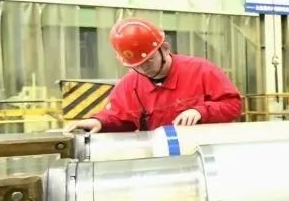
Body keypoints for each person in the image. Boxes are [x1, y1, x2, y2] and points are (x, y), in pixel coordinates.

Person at [65, 18, 243, 133]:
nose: (144, 69)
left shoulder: (201, 70)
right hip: (160, 157)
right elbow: (119, 117)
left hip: (203, 152)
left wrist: (201, 111)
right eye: (136, 65)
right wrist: (99, 122)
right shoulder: (130, 85)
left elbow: (233, 105)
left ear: (164, 49)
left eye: (149, 61)